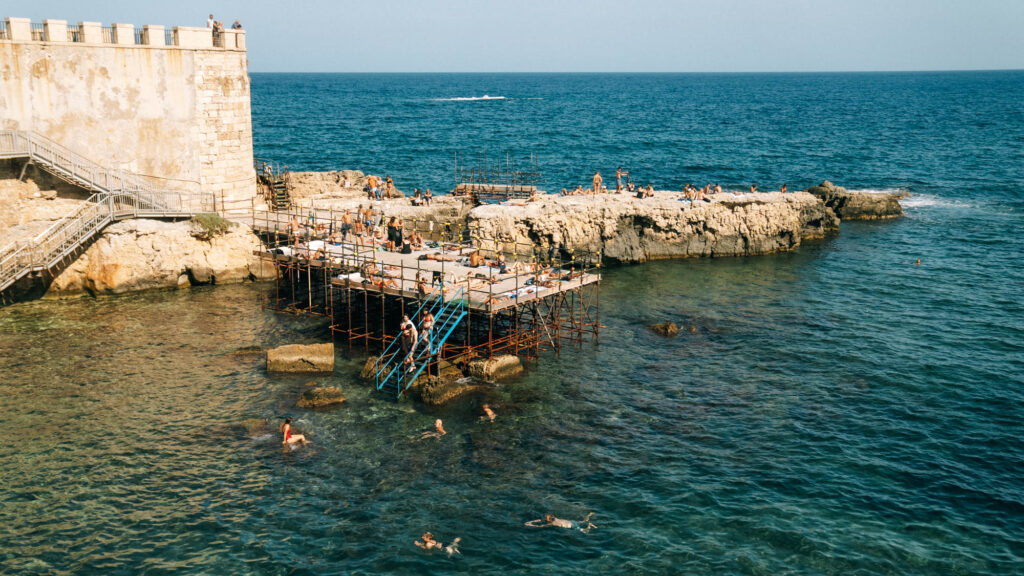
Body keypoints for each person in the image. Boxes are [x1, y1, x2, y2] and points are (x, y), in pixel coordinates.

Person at [525, 512, 596, 533]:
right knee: (583, 521)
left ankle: (589, 525)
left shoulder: (552, 523)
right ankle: (589, 515)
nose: (545, 520)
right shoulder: (555, 518)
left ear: (549, 521)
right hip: (572, 522)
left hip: (572, 526)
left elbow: (540, 526)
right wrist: (532, 521)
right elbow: (540, 520)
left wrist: (530, 524)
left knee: (585, 531)